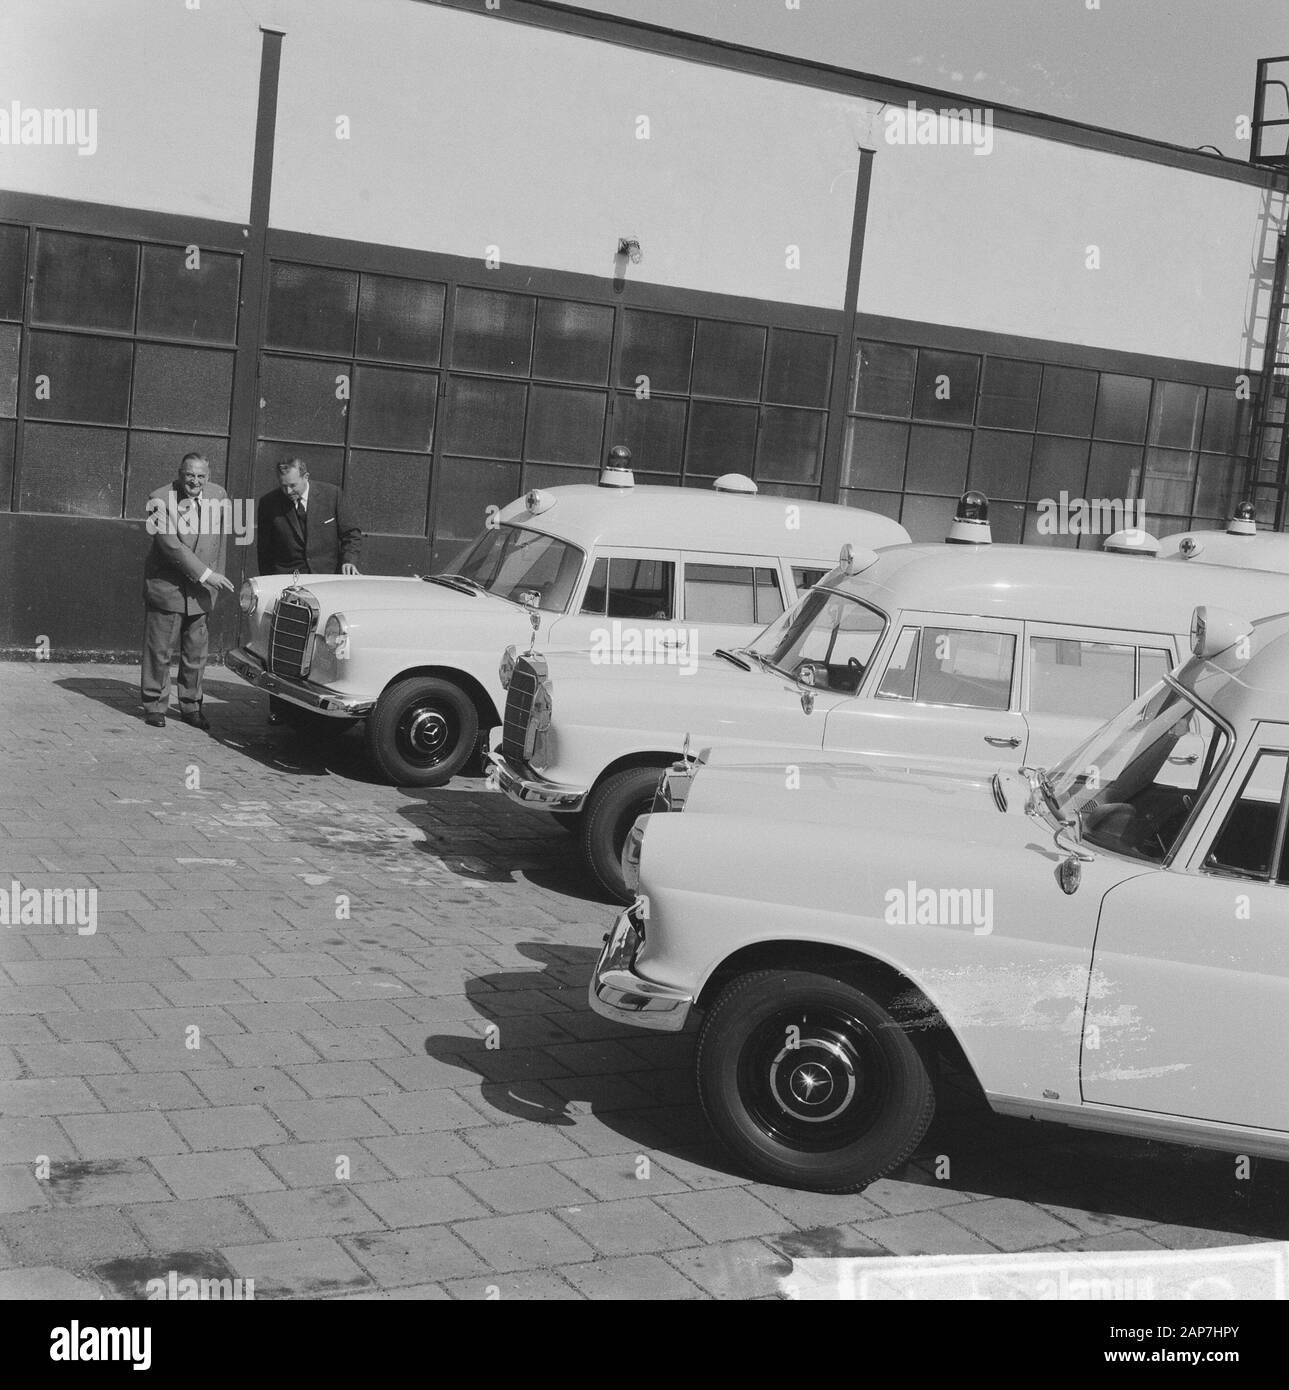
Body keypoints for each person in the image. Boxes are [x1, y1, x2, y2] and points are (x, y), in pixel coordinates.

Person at [140, 453, 235, 729]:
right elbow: (170, 546)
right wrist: (208, 575)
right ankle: (155, 705)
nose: (195, 481)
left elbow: (220, 542)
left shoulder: (218, 494)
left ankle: (191, 706)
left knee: (196, 652)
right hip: (168, 588)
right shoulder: (159, 498)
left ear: (208, 476)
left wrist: (214, 583)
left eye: (201, 476)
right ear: (180, 473)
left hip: (203, 591)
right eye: (190, 475)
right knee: (159, 650)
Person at [256, 457, 363, 576]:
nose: (288, 491)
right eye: (283, 486)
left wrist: (349, 561)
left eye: (293, 485)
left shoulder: (332, 495)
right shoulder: (268, 503)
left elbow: (351, 534)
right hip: (287, 578)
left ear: (306, 477)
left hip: (326, 576)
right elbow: (264, 550)